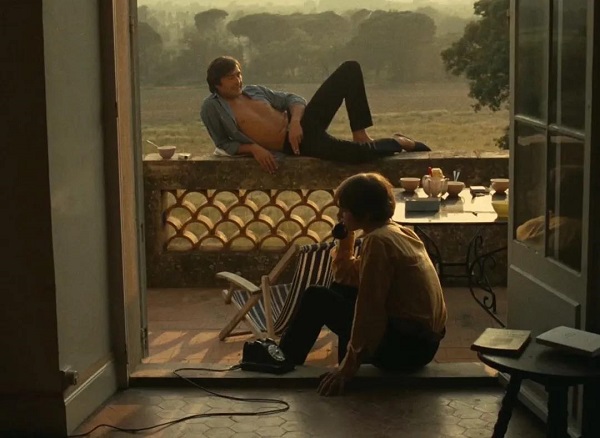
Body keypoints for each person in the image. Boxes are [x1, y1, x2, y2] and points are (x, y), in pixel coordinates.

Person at [277, 172, 447, 396]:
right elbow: (345, 277)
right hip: (423, 345)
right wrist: (346, 237)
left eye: (344, 210)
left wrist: (347, 369)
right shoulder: (398, 232)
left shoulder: (377, 242)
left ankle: (282, 362)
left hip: (405, 350)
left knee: (316, 297)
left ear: (364, 214)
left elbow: (370, 307)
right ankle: (337, 359)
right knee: (340, 291)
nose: (339, 215)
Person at [200, 56, 430, 173]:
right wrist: (253, 148)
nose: (238, 80)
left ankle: (360, 133)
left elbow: (293, 100)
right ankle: (400, 142)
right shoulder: (212, 108)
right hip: (297, 145)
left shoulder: (254, 91)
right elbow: (223, 143)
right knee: (357, 155)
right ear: (217, 83)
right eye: (231, 77)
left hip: (302, 124)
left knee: (350, 69)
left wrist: (295, 122)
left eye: (239, 74)